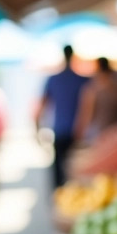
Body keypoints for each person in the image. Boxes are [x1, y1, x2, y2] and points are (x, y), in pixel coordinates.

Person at [35, 45, 88, 192]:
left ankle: (61, 200)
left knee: (60, 176)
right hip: (78, 133)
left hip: (61, 130)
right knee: (76, 174)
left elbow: (42, 106)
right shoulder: (81, 80)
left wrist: (37, 129)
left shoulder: (54, 79)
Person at [75, 56, 117, 144]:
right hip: (116, 133)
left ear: (98, 68)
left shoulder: (92, 89)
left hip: (97, 135)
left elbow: (87, 115)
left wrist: (79, 134)